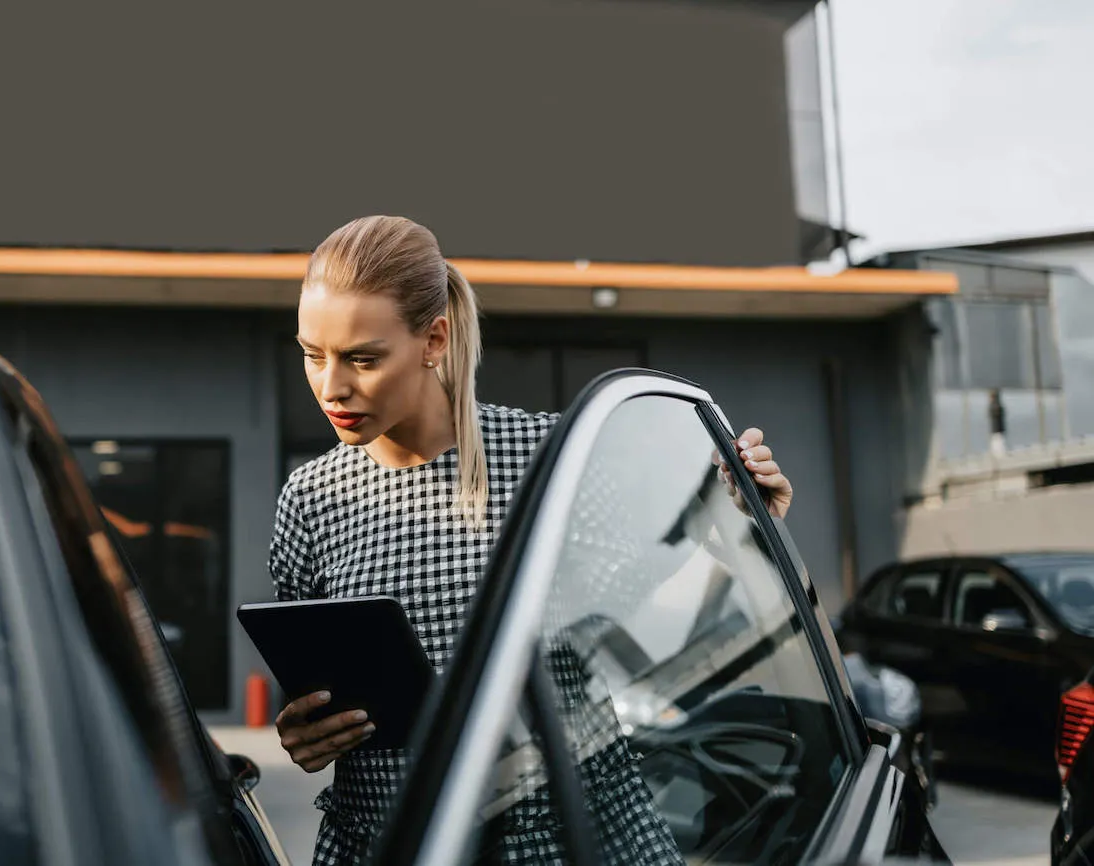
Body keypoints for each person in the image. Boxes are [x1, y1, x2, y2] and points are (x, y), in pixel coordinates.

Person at [268, 215, 794, 864]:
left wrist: (735, 517)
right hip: (391, 846)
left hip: (570, 839)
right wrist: (303, 732)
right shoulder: (310, 498)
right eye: (311, 354)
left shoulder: (547, 454)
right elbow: (315, 687)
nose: (330, 387)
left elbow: (655, 626)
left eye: (362, 359)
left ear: (434, 339)